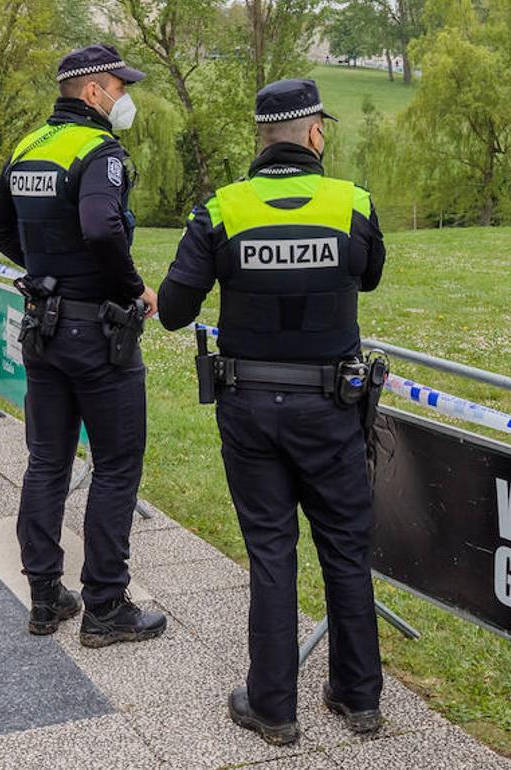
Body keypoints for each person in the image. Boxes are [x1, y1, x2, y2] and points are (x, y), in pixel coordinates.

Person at [156, 78, 387, 746]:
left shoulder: (221, 210)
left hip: (250, 407)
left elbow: (174, 311)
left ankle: (273, 708)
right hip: (330, 408)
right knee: (344, 546)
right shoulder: (353, 205)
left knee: (270, 550)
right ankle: (358, 698)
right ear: (316, 134)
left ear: (260, 137)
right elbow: (368, 277)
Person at [0, 44, 166, 646]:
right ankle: (106, 607)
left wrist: (43, 271)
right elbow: (100, 227)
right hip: (98, 333)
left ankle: (44, 597)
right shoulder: (98, 152)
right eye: (119, 87)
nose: (124, 97)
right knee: (115, 467)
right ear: (92, 93)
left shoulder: (29, 146)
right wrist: (133, 288)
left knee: (47, 461)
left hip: (42, 327)